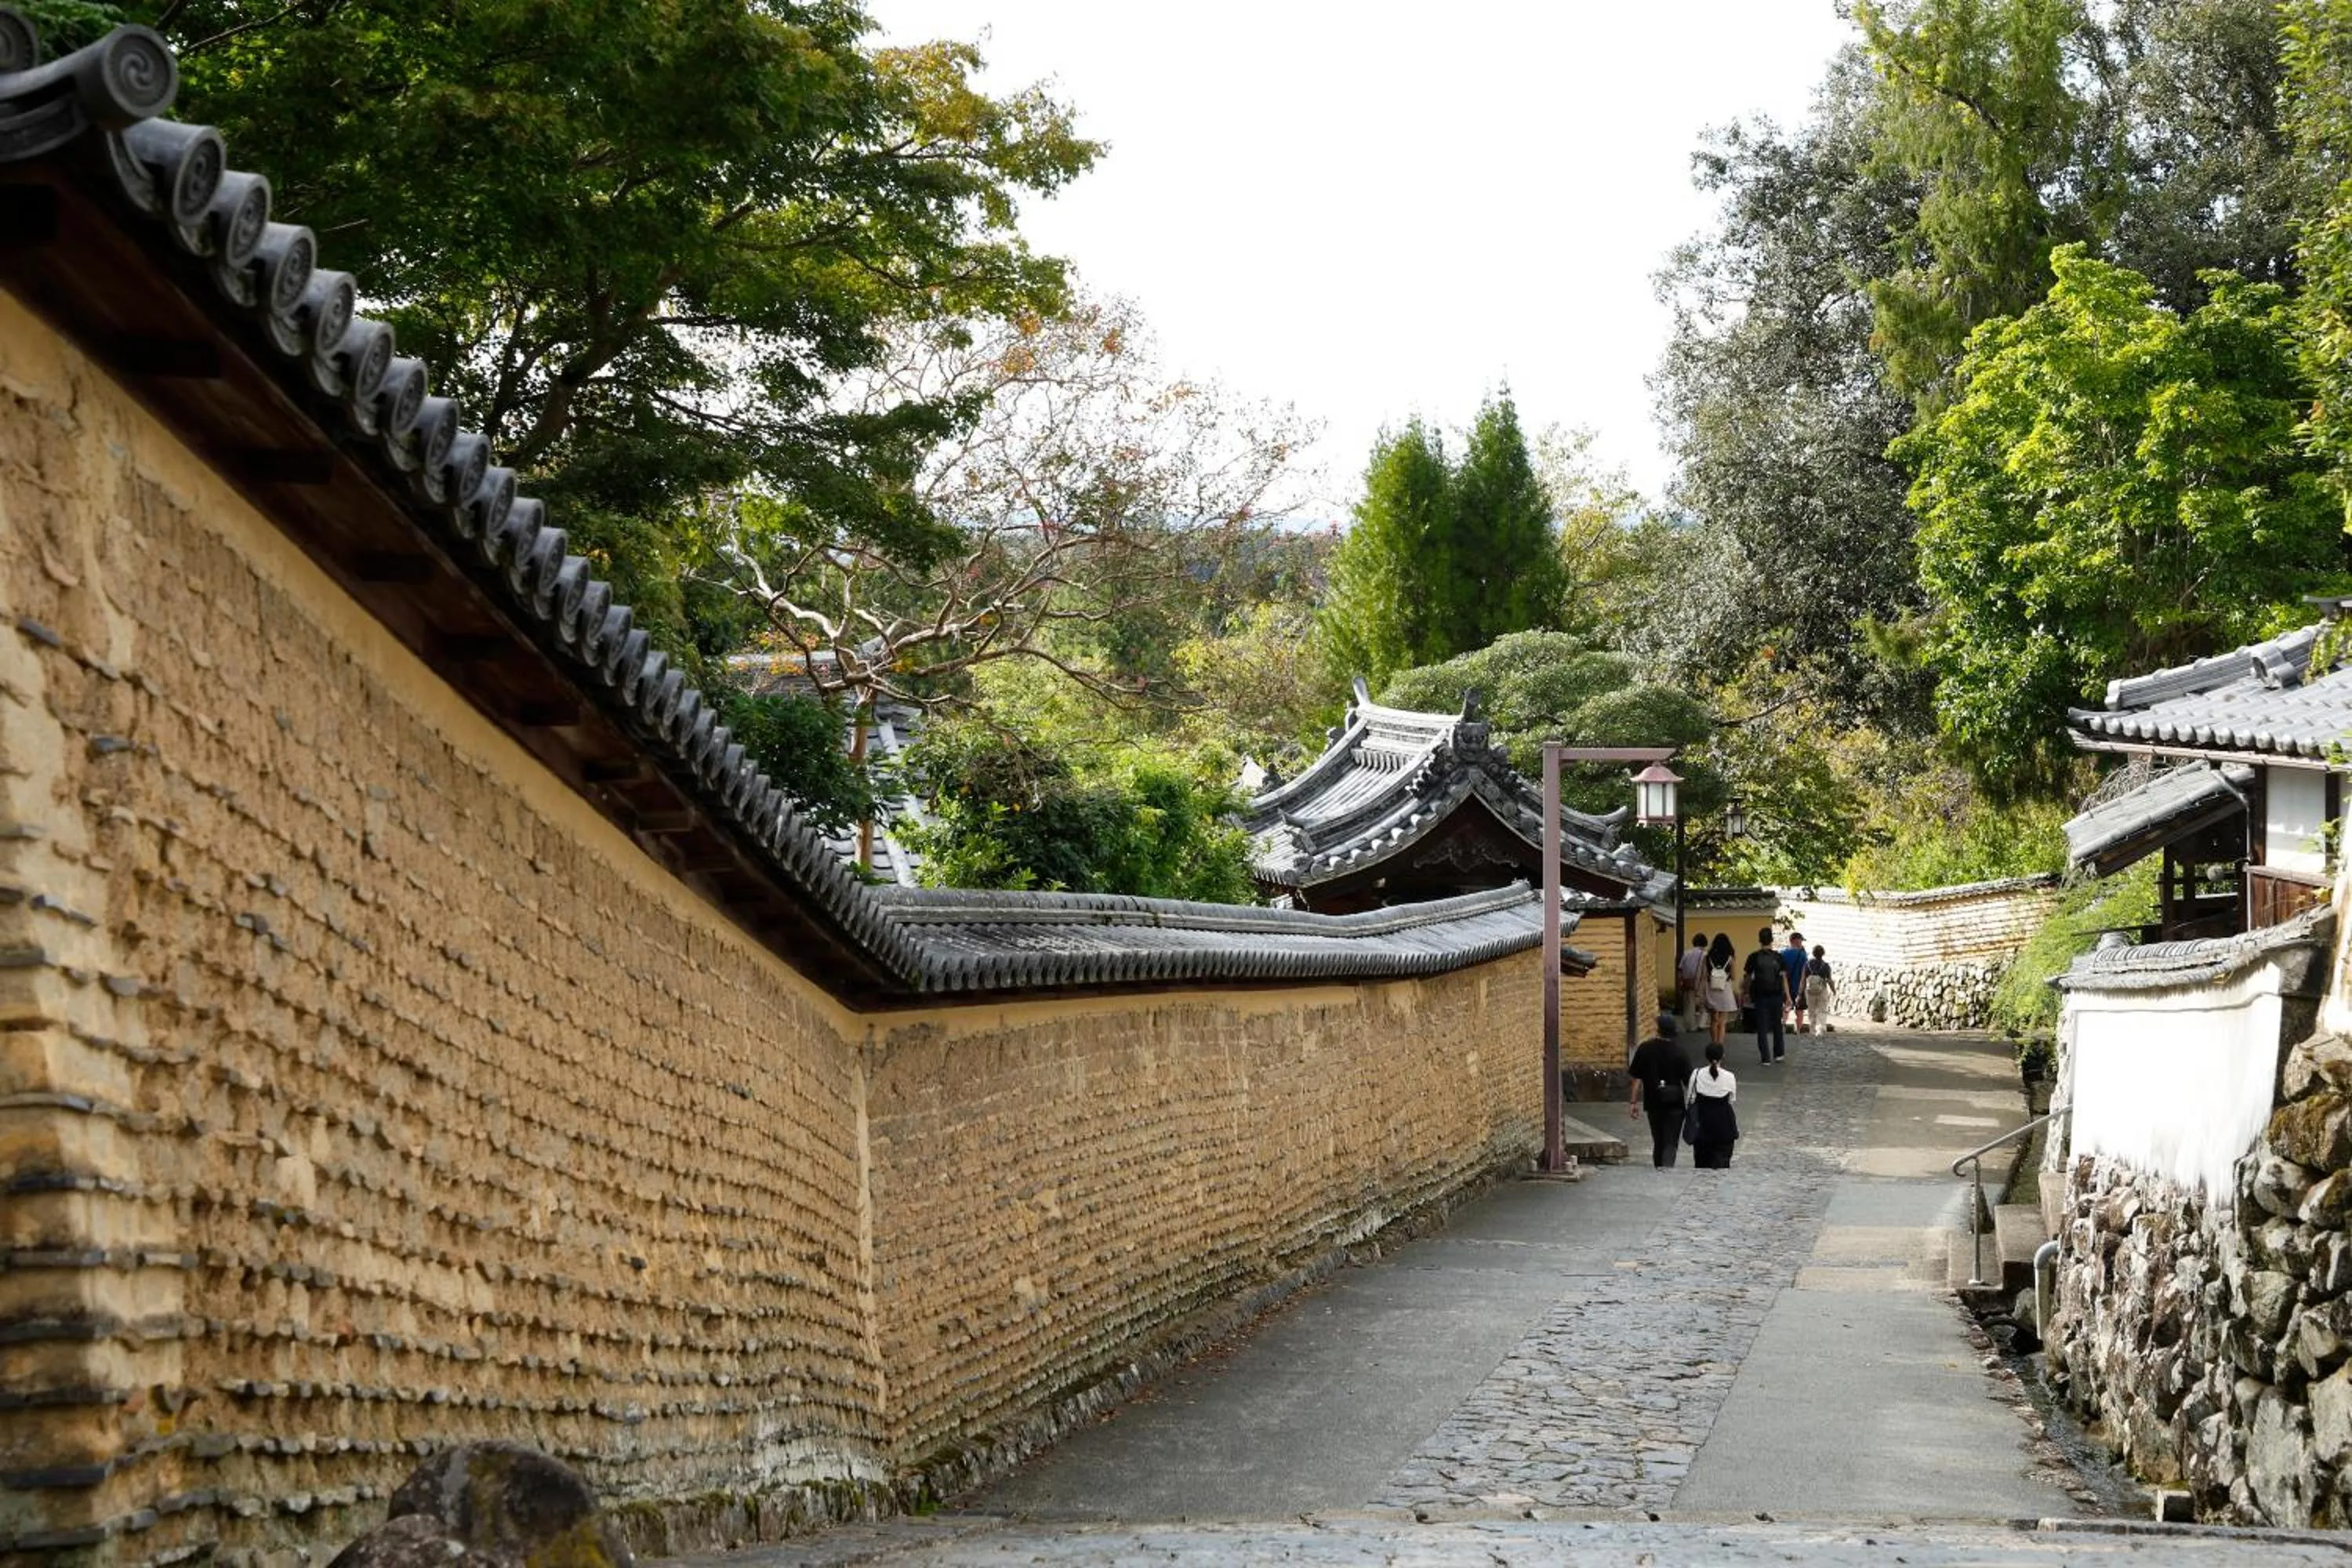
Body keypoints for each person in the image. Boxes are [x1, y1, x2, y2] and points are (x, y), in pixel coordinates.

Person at [1627, 1011, 1695, 1168]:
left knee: (1658, 1138)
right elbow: (1689, 1081)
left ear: (1658, 1029)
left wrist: (1633, 1102)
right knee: (1671, 1139)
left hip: (1653, 1101)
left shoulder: (1645, 1049)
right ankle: (1667, 1166)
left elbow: (1636, 1077)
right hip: (1675, 1102)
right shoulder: (1680, 1052)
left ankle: (1659, 1166)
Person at [1688, 1041, 1739, 1168]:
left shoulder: (1697, 1074)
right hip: (1724, 1125)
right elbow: (1731, 1100)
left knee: (1701, 1163)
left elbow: (1691, 1097)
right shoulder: (1729, 1076)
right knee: (1723, 1163)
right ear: (1723, 1056)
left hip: (1703, 1124)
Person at [1743, 926, 1788, 1065]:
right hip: (1776, 995)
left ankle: (1765, 1058)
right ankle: (1779, 1054)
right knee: (1777, 1025)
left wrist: (1746, 992)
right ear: (1772, 940)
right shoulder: (1779, 957)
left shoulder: (1753, 957)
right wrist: (1788, 996)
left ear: (1760, 940)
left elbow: (1748, 977)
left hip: (1760, 995)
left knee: (1762, 1027)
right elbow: (1784, 978)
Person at [1703, 932, 1738, 1049]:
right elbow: (1733, 977)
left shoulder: (1707, 958)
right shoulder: (1730, 958)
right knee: (1722, 1022)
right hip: (1725, 990)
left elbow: (1705, 975)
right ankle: (1720, 1046)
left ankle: (1713, 1043)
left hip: (1712, 989)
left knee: (1713, 1020)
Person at [1676, 934, 1709, 1033]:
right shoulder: (1705, 955)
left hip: (1688, 982)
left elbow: (1680, 969)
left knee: (1689, 1005)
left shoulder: (1686, 953)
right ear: (1704, 943)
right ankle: (1701, 1024)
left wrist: (1681, 981)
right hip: (1701, 983)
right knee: (1704, 1005)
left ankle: (1690, 1026)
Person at [1780, 930, 1810, 1033]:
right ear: (1796, 941)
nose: (1801, 943)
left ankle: (1783, 1025)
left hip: (1786, 987)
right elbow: (1805, 971)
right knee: (1800, 1010)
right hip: (1799, 987)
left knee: (1786, 1006)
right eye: (1801, 941)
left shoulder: (1783, 954)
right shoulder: (1803, 955)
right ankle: (1798, 1030)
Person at [1804, 942, 1836, 1033]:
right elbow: (1829, 980)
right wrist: (1834, 990)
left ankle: (1812, 1029)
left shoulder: (1808, 964)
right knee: (1822, 1009)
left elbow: (1803, 978)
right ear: (1823, 954)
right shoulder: (1826, 966)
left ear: (1813, 953)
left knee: (1811, 1010)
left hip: (1810, 990)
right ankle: (1821, 1028)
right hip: (1822, 990)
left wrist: (1800, 991)